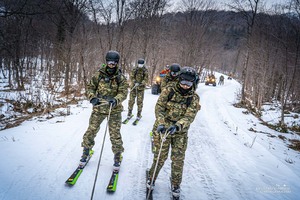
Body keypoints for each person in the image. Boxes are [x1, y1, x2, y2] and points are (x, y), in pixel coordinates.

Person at [147, 66, 201, 199]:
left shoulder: (193, 98)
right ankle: (151, 178)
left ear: (193, 83)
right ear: (179, 79)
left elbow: (189, 116)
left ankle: (176, 183)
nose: (185, 85)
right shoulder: (168, 90)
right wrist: (161, 123)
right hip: (163, 128)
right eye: (183, 82)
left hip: (179, 132)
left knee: (178, 160)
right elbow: (159, 107)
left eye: (188, 83)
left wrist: (177, 126)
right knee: (160, 157)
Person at [80, 50, 129, 169]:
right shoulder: (99, 74)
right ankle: (86, 151)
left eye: (114, 63)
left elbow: (123, 92)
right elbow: (90, 88)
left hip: (114, 109)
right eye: (109, 62)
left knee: (115, 134)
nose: (111, 64)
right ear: (106, 62)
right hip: (99, 107)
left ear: (117, 63)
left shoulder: (120, 77)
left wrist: (116, 99)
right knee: (91, 130)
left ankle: (117, 155)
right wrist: (92, 98)